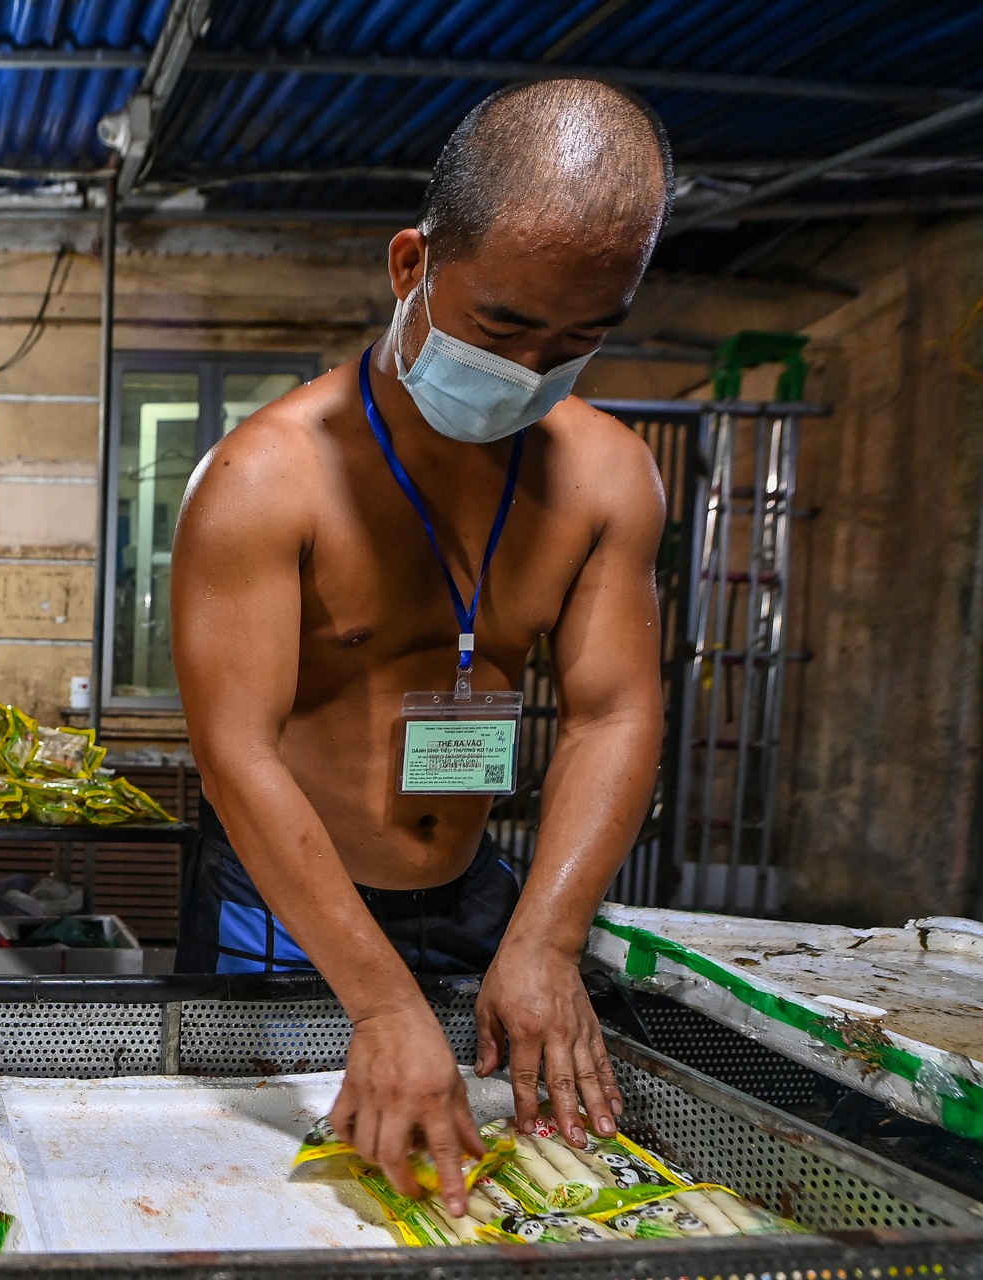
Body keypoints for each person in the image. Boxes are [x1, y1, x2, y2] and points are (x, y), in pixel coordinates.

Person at [171, 79, 672, 1216]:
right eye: (501, 326)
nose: (532, 368)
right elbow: (236, 752)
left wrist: (548, 932)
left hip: (481, 901)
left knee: (489, 1195)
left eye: (579, 339)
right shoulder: (263, 479)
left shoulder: (604, 474)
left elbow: (611, 711)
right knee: (264, 1200)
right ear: (412, 265)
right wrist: (382, 1004)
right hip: (286, 912)